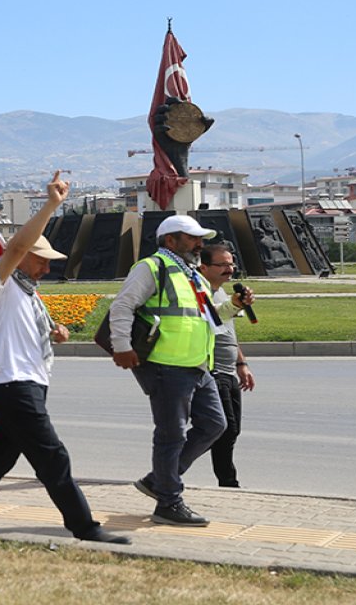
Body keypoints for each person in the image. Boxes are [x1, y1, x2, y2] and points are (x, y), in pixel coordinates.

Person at [0, 172, 130, 545]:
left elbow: (23, 331)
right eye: (41, 261)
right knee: (52, 458)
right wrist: (52, 204)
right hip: (13, 387)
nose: (46, 268)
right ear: (24, 256)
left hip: (21, 385)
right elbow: (13, 249)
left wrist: (53, 333)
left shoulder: (27, 292)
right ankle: (84, 526)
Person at [110, 214, 254, 526]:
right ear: (170, 240)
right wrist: (121, 345)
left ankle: (159, 480)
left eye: (201, 238)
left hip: (197, 366)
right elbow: (122, 306)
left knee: (215, 425)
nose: (200, 244)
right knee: (171, 435)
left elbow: (211, 319)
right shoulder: (152, 267)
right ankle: (168, 502)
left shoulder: (192, 274)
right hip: (166, 365)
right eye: (192, 238)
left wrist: (235, 306)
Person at [196, 243, 256, 488]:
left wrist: (241, 362)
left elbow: (228, 330)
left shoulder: (222, 292)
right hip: (211, 370)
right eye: (222, 265)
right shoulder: (199, 292)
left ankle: (169, 467)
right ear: (204, 267)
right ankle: (228, 482)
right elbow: (209, 321)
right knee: (223, 429)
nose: (229, 269)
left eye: (231, 264)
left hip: (229, 370)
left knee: (231, 430)